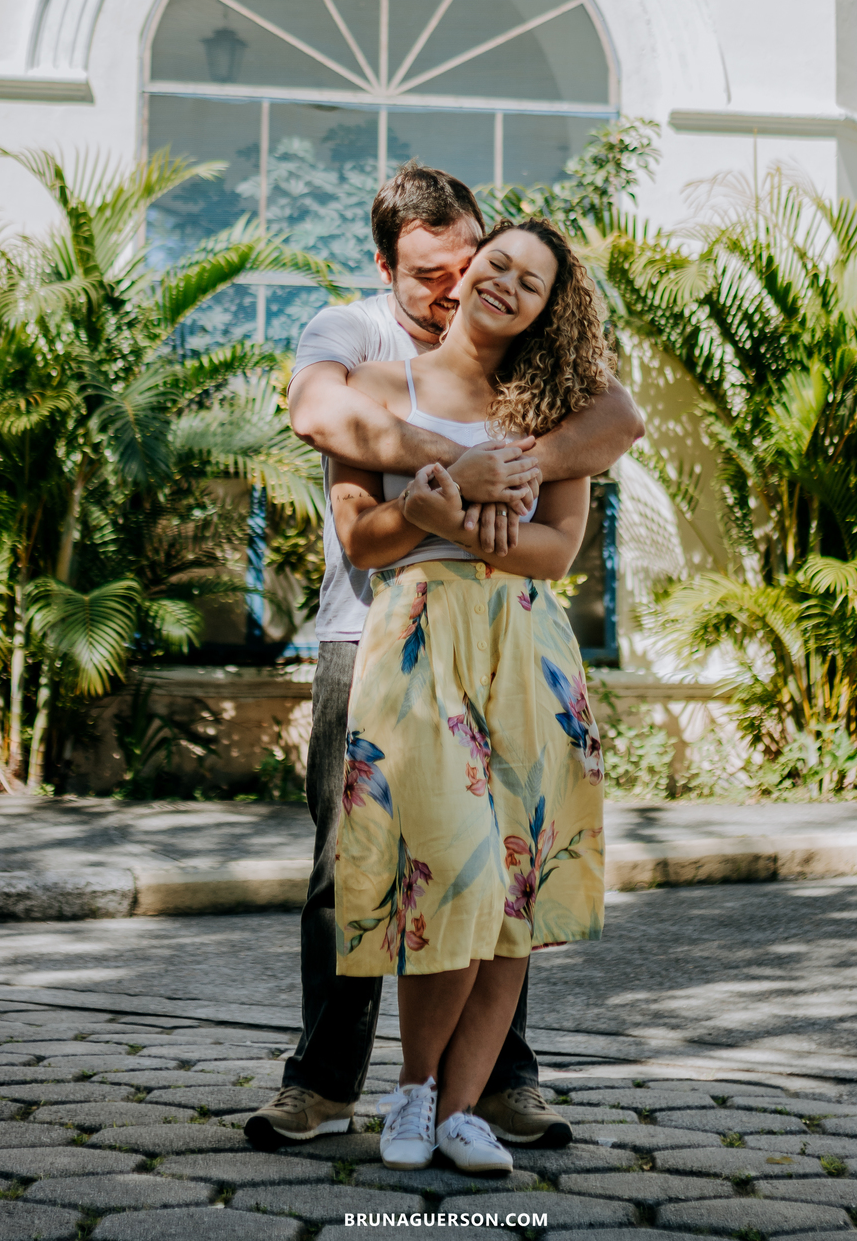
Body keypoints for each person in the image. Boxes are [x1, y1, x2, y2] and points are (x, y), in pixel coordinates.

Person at [246, 165, 643, 1151]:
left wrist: (506, 467)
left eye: (478, 259)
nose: (459, 282)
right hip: (375, 634)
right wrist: (448, 473)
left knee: (504, 869)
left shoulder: (537, 386)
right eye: (435, 271)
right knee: (360, 870)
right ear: (389, 267)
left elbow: (607, 437)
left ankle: (490, 1090)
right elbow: (322, 429)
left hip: (514, 643)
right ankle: (331, 1083)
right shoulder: (355, 339)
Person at [331, 217, 613, 1174]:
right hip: (417, 632)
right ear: (470, 267)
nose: (507, 286)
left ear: (545, 309)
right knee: (449, 865)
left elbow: (558, 550)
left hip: (524, 639)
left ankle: (459, 1112)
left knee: (514, 886)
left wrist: (469, 520)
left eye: (531, 284)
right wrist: (425, 511)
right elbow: (360, 545)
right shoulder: (380, 388)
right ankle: (409, 1095)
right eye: (500, 264)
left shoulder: (549, 409)